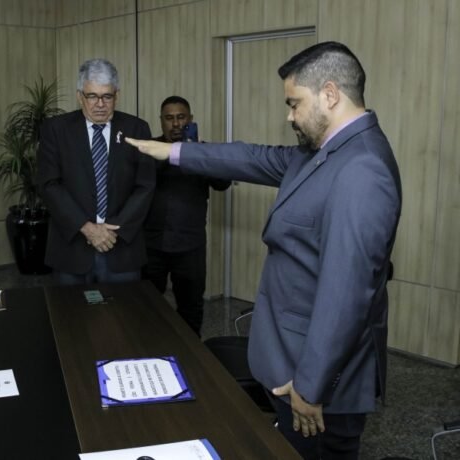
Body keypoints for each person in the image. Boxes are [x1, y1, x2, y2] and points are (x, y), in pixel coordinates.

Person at [127, 41, 402, 459]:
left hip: (316, 383)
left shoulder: (362, 169)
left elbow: (345, 298)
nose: (289, 115)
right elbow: (253, 157)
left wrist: (311, 387)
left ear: (330, 94)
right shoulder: (325, 151)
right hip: (291, 363)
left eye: (294, 103)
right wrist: (174, 151)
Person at [36, 58, 155, 284]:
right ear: (80, 96)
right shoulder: (56, 129)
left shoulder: (137, 128)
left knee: (125, 307)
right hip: (72, 248)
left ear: (117, 96)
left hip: (121, 247)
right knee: (70, 308)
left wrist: (113, 230)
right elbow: (49, 184)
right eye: (92, 96)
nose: (100, 104)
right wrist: (87, 227)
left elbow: (145, 186)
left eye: (107, 96)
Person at [143, 96, 230, 336]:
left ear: (190, 119)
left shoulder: (202, 150)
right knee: (146, 306)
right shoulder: (150, 149)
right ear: (161, 121)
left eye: (181, 117)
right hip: (152, 244)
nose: (175, 124)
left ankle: (190, 354)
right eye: (169, 118)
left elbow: (222, 183)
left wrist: (196, 152)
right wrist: (171, 153)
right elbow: (137, 179)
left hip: (190, 246)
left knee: (191, 309)